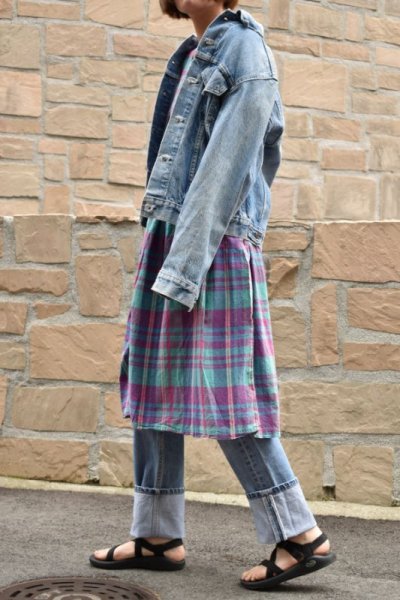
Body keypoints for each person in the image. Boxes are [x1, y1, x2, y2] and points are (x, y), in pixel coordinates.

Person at [89, 0, 336, 591]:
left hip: (212, 241)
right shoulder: (193, 53)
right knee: (150, 378)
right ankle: (157, 533)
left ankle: (299, 533)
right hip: (176, 232)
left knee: (228, 389)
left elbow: (227, 170)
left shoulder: (245, 50)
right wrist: (164, 240)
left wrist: (186, 262)